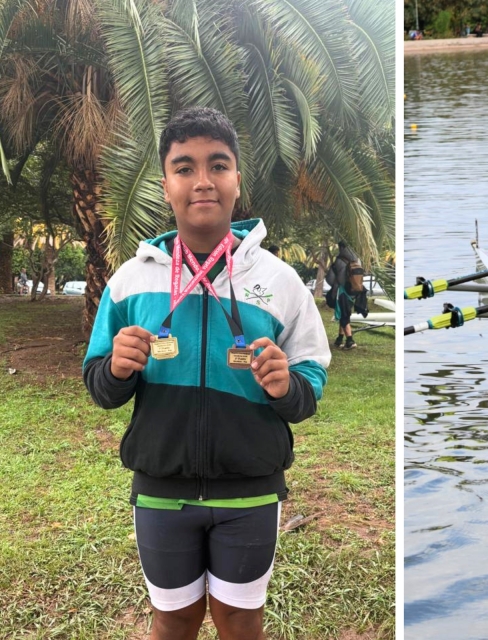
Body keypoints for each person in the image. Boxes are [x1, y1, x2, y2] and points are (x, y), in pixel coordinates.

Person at [83, 107, 330, 640]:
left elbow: (311, 377)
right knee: (173, 621)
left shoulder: (280, 281)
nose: (203, 181)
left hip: (250, 493)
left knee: (240, 621)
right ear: (165, 185)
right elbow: (99, 385)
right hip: (161, 491)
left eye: (218, 165)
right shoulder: (131, 281)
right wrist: (117, 370)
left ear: (237, 179)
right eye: (184, 167)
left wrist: (288, 386)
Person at [328, 240, 364, 349]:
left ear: (341, 247)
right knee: (344, 313)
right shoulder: (357, 259)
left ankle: (350, 341)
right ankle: (339, 339)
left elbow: (330, 279)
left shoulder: (340, 260)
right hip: (354, 292)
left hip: (342, 292)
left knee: (344, 316)